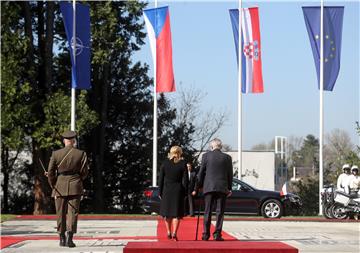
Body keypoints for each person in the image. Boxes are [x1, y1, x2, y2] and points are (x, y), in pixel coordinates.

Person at [47, 130, 89, 248]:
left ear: (64, 141)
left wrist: (53, 184)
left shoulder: (56, 154)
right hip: (75, 185)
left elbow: (50, 172)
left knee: (60, 212)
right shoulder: (81, 154)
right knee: (73, 212)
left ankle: (61, 238)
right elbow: (85, 172)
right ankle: (70, 239)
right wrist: (78, 179)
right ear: (74, 141)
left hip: (59, 185)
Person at [193, 138, 233, 241]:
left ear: (212, 146)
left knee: (208, 211)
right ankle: (217, 234)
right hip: (222, 187)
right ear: (221, 146)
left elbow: (201, 173)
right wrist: (229, 188)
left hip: (209, 187)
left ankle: (205, 234)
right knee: (220, 212)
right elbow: (230, 174)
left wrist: (198, 186)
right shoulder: (227, 158)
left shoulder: (206, 156)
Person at [158, 146, 188, 241]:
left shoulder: (165, 163)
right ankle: (175, 233)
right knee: (176, 214)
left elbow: (161, 180)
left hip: (166, 190)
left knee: (167, 213)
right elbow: (186, 180)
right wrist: (185, 192)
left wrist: (160, 192)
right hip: (178, 190)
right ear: (180, 152)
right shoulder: (183, 164)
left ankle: (168, 232)